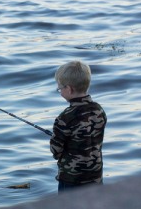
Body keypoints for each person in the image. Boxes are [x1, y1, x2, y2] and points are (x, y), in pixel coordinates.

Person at [50, 61, 107, 194]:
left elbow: (55, 151)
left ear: (69, 89)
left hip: (72, 180)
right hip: (96, 177)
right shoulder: (99, 110)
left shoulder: (65, 118)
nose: (60, 91)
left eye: (60, 88)